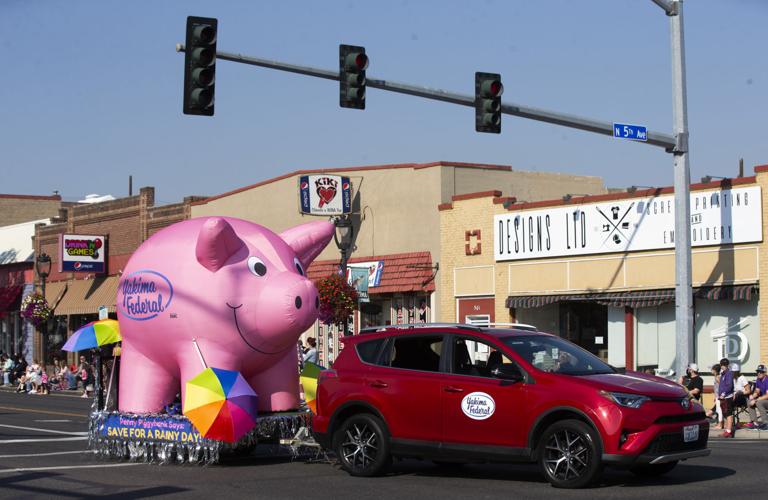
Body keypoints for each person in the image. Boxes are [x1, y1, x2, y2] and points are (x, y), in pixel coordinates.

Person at [745, 364, 768, 430]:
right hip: (763, 400)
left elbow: (767, 395)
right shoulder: (758, 379)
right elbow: (757, 391)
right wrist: (753, 396)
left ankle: (766, 423)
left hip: (765, 400)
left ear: (764, 373)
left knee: (758, 402)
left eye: (761, 372)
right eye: (758, 372)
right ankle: (755, 422)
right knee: (749, 401)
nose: (759, 373)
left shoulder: (767, 380)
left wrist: (756, 400)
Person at [718, 358, 736, 438]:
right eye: (722, 365)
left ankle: (729, 431)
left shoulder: (729, 373)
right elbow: (722, 385)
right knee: (725, 413)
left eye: (724, 365)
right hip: (722, 397)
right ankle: (726, 429)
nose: (723, 366)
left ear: (727, 365)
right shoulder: (723, 374)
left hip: (727, 396)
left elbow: (729, 386)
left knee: (728, 413)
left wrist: (723, 394)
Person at [706, 364, 723, 429]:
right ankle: (719, 423)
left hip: (719, 396)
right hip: (717, 396)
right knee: (718, 410)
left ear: (715, 370)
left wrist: (718, 396)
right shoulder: (717, 377)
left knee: (719, 410)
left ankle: (720, 424)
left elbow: (721, 386)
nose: (711, 371)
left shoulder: (717, 377)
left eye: (712, 369)